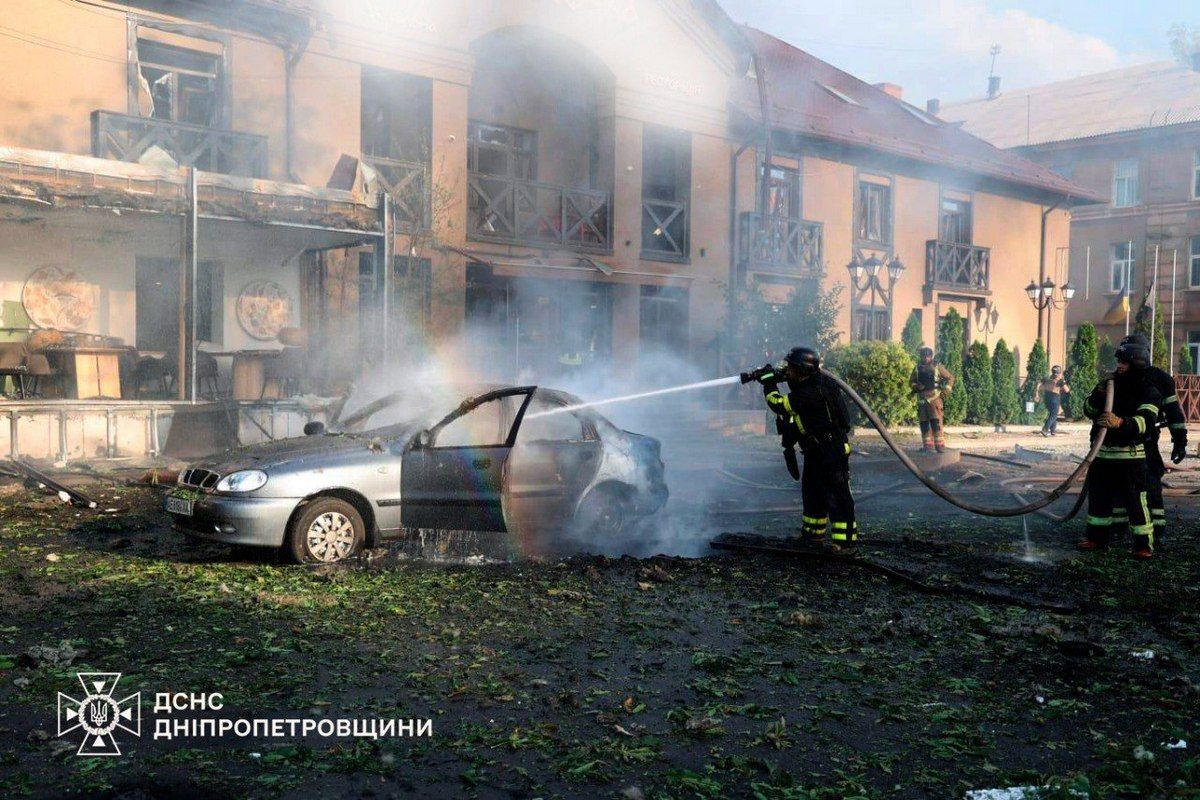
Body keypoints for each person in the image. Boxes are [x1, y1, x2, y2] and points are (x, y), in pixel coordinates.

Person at [752, 346, 857, 548]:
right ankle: (812, 537)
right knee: (813, 494)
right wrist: (771, 373)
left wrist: (769, 383)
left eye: (791, 367)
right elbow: (791, 378)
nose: (788, 370)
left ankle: (844, 544)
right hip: (815, 450)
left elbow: (779, 403)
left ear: (802, 370)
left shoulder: (813, 392)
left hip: (830, 451)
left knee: (837, 497)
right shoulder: (811, 380)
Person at [1078, 339, 1161, 559]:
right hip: (1102, 455)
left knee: (1136, 502)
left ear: (1137, 363)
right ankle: (1096, 539)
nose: (1119, 366)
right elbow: (1088, 410)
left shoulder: (1148, 391)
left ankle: (1143, 544)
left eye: (1124, 362)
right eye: (1119, 361)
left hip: (1130, 459)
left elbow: (1145, 422)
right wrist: (1098, 393)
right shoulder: (1109, 384)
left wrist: (1121, 423)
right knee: (1099, 500)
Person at [1119, 333, 1188, 547]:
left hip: (1147, 440)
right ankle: (1118, 529)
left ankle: (1156, 530)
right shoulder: (1117, 377)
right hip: (1119, 439)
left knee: (1150, 484)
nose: (1120, 364)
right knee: (1118, 485)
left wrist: (1180, 441)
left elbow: (1174, 412)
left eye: (1124, 359)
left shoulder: (1160, 379)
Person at [909, 346, 954, 453]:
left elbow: (950, 378)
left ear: (931, 356)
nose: (925, 358)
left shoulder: (937, 367)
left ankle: (940, 446)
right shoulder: (917, 368)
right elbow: (911, 382)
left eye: (927, 356)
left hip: (934, 399)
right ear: (921, 356)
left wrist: (946, 391)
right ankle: (927, 445)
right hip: (922, 400)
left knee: (936, 422)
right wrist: (916, 386)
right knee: (924, 423)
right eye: (923, 356)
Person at [1039, 366, 1070, 436]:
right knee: (1054, 414)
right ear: (1059, 373)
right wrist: (1063, 383)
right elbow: (1067, 390)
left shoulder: (1047, 379)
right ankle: (1045, 429)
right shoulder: (1060, 380)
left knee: (1052, 414)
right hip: (1054, 397)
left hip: (1046, 397)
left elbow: (1041, 387)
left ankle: (1053, 430)